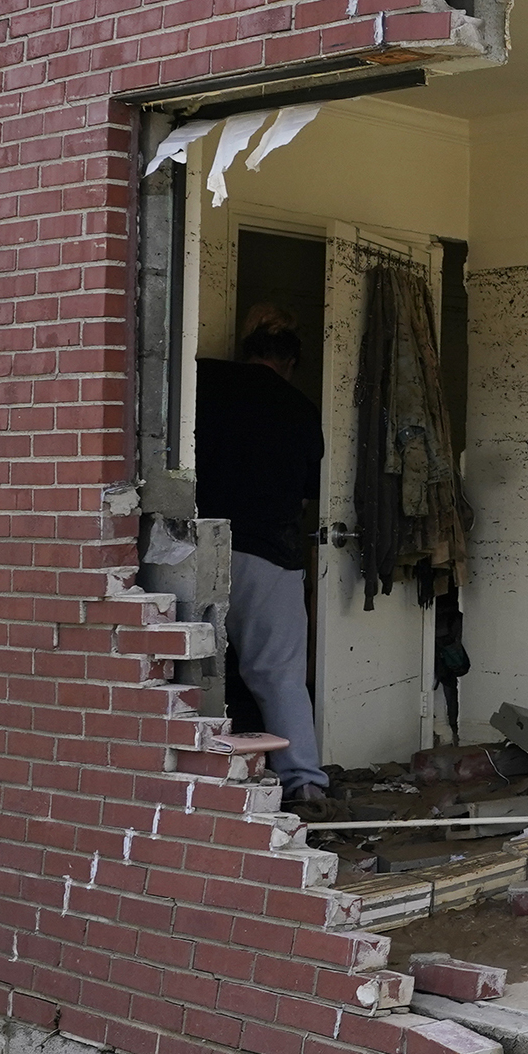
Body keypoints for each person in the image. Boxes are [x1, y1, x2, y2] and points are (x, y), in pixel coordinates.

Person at [195, 309, 329, 810]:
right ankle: (304, 784)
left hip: (199, 544)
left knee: (195, 667)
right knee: (278, 673)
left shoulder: (206, 378)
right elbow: (310, 489)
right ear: (291, 362)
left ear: (246, 350)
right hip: (269, 552)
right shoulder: (300, 407)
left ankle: (206, 775)